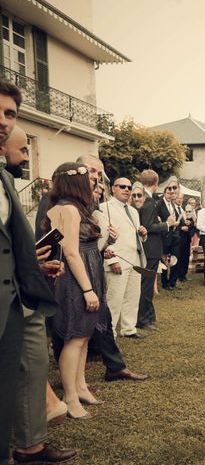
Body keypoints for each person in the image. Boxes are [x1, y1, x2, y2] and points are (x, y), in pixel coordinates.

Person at [0, 102, 75, 462]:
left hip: (22, 293)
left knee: (33, 367)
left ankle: (31, 444)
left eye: (10, 114)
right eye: (23, 148)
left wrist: (35, 264)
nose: (25, 153)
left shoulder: (5, 180)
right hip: (8, 294)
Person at [45, 162, 105, 419]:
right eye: (88, 178)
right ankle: (69, 395)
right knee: (74, 337)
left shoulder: (69, 208)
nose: (93, 182)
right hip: (75, 278)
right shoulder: (67, 210)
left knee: (84, 335)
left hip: (86, 271)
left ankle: (80, 386)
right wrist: (88, 289)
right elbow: (70, 250)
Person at [100, 177, 147, 339]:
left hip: (134, 260)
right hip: (117, 259)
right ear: (113, 188)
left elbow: (132, 237)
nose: (127, 190)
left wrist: (143, 235)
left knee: (133, 297)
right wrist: (111, 260)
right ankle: (110, 332)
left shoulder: (133, 211)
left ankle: (129, 329)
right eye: (122, 186)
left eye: (129, 187)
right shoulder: (104, 208)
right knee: (114, 298)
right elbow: (103, 237)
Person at [138, 169, 177, 326]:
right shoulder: (148, 201)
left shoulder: (145, 198)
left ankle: (148, 316)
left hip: (151, 248)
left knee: (147, 284)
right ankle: (142, 319)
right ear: (156, 183)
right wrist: (167, 224)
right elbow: (148, 226)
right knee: (146, 285)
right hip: (150, 249)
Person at [156, 178, 180, 291]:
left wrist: (177, 224)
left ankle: (173, 282)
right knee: (165, 259)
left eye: (173, 193)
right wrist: (169, 224)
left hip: (175, 236)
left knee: (175, 259)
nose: (171, 194)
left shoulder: (173, 205)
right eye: (169, 192)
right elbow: (158, 221)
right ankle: (165, 282)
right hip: (165, 237)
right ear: (164, 193)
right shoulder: (159, 205)